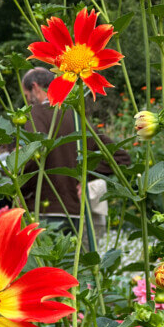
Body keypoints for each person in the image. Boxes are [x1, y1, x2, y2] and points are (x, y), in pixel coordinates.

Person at [21, 67, 130, 245]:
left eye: (26, 95)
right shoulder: (77, 117)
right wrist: (86, 176)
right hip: (77, 213)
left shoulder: (34, 115)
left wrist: (17, 186)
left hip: (44, 211)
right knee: (75, 269)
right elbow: (121, 158)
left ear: (35, 87)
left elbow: (33, 157)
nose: (27, 101)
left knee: (47, 269)